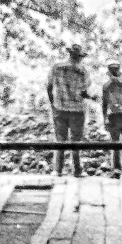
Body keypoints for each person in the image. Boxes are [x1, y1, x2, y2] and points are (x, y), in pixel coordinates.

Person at [45, 42, 91, 177]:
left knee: (60, 139)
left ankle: (57, 170)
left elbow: (49, 87)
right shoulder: (83, 71)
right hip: (77, 110)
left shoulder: (57, 67)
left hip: (60, 108)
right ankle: (77, 170)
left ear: (70, 54)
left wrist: (53, 103)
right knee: (76, 141)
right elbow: (84, 92)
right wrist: (92, 97)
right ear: (80, 57)